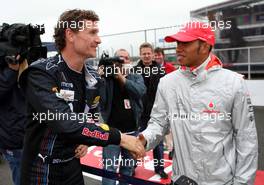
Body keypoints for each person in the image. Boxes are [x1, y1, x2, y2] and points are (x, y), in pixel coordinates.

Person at [19, 9, 145, 185]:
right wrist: (120, 138)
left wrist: (86, 141)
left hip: (72, 168)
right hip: (40, 169)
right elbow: (64, 122)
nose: (99, 40)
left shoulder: (93, 78)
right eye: (92, 33)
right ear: (70, 34)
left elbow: (91, 116)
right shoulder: (41, 73)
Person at [139, 22, 258, 185]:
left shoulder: (233, 83)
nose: (178, 48)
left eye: (185, 43)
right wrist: (144, 139)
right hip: (180, 180)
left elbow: (246, 139)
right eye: (177, 43)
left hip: (221, 182)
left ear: (204, 46)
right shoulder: (167, 82)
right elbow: (159, 123)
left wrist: (242, 183)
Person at [100, 49, 146, 185]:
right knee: (110, 169)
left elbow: (140, 92)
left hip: (132, 131)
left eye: (126, 58)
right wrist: (101, 78)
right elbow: (100, 100)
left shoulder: (136, 75)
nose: (123, 61)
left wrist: (121, 78)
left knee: (128, 168)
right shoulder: (107, 79)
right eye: (119, 58)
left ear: (129, 61)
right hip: (112, 133)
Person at [135, 42, 168, 179]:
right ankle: (132, 166)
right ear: (140, 55)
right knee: (137, 141)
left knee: (158, 142)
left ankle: (159, 168)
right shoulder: (135, 70)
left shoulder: (160, 70)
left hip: (156, 113)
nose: (147, 56)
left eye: (149, 53)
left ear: (153, 54)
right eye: (144, 53)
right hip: (140, 113)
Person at [0, 56, 27, 185]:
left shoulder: (27, 75)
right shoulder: (7, 73)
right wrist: (11, 70)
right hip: (14, 141)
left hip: (28, 138)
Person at [154, 47, 176, 159]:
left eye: (159, 55)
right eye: (156, 55)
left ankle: (173, 149)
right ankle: (169, 148)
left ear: (163, 56)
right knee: (161, 127)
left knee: (173, 127)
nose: (157, 57)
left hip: (170, 101)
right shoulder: (151, 68)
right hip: (157, 102)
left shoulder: (170, 68)